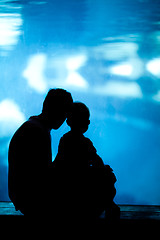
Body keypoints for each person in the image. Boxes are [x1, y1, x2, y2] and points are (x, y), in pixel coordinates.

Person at [8, 88, 73, 215]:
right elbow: (43, 176)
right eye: (65, 112)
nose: (65, 119)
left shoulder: (35, 127)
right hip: (31, 200)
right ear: (58, 110)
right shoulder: (37, 131)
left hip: (23, 198)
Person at [52, 102, 120, 221]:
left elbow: (58, 162)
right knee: (108, 177)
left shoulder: (65, 140)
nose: (88, 122)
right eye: (86, 119)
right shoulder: (85, 142)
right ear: (87, 123)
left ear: (68, 122)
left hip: (68, 186)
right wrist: (104, 170)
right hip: (82, 184)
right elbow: (96, 161)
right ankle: (108, 204)